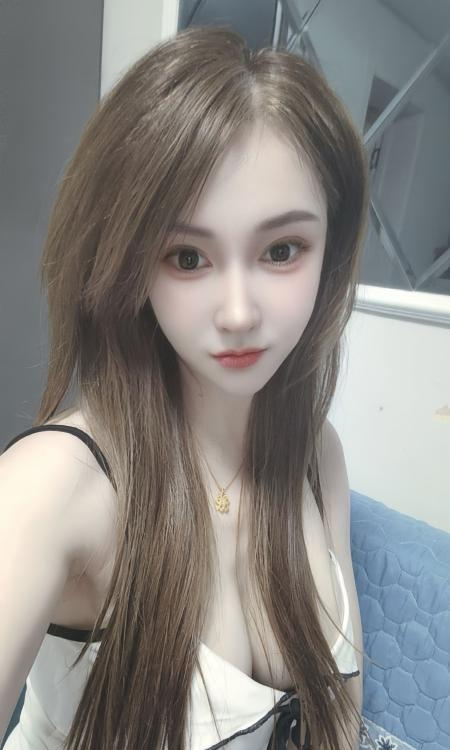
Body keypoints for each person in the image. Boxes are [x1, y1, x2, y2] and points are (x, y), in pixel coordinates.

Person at [0, 24, 370, 750]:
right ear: (130, 264)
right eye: (188, 257)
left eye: (282, 250)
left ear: (330, 250)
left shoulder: (316, 454)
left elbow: (342, 722)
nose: (238, 313)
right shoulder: (56, 482)